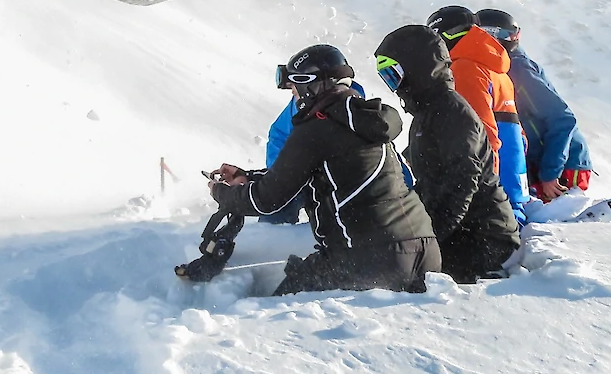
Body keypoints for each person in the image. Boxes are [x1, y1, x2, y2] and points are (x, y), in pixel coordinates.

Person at [185, 44, 440, 295]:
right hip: (426, 254)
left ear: (311, 86)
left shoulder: (316, 129)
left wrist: (222, 193)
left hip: (369, 260)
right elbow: (318, 173)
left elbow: (266, 200)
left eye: (295, 90)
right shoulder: (367, 119)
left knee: (277, 309)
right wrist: (249, 177)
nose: (295, 97)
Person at [374, 25, 521, 283]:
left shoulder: (452, 112)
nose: (394, 87)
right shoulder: (427, 113)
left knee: (398, 274)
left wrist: (431, 234)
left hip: (484, 236)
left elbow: (463, 181)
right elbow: (431, 183)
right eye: (386, 78)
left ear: (416, 68)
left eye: (394, 75)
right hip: (461, 230)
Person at [475, 9, 594, 203]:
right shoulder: (497, 69)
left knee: (553, 220)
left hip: (563, 165)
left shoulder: (517, 70)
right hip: (537, 163)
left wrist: (550, 173)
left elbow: (563, 119)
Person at [426, 5, 530, 224]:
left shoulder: (465, 68)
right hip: (511, 190)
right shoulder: (497, 70)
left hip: (491, 200)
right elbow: (519, 137)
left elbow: (479, 136)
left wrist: (478, 196)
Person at [260, 72, 368, 225]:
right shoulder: (303, 105)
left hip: (349, 202)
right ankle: (270, 239)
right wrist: (278, 176)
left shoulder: (362, 119)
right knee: (276, 203)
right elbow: (279, 135)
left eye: (296, 87)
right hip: (307, 181)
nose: (293, 92)